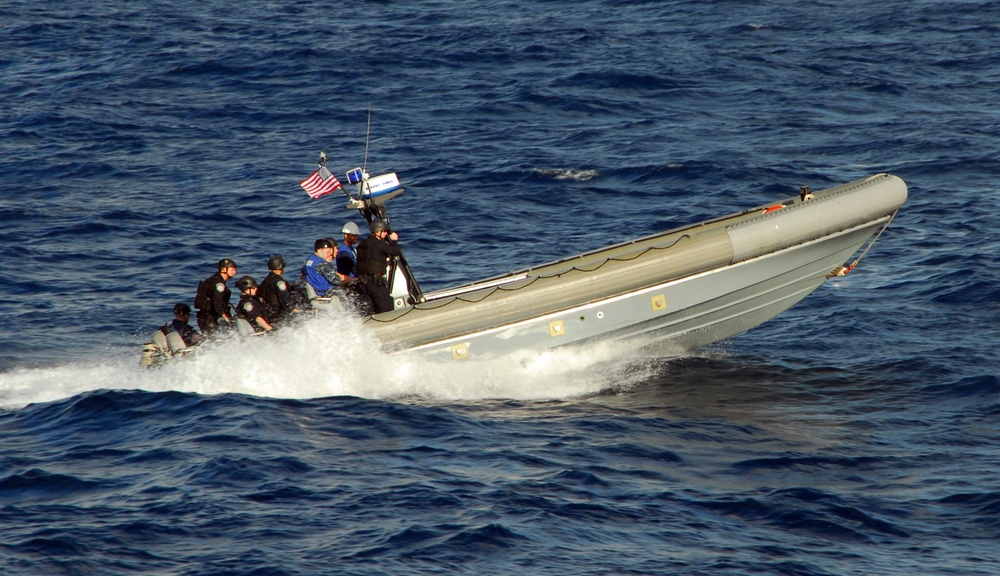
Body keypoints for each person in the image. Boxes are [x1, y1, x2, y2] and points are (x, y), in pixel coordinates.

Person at [356, 219, 404, 314]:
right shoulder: (379, 244)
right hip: (375, 281)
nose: (386, 233)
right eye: (384, 231)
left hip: (363, 281)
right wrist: (394, 240)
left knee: (371, 306)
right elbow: (395, 251)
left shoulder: (363, 243)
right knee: (386, 304)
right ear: (378, 232)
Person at [195, 258, 237, 335]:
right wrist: (226, 318)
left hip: (206, 317)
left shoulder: (214, 279)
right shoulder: (219, 284)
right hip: (211, 318)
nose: (235, 272)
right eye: (232, 269)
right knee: (216, 339)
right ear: (224, 269)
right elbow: (217, 302)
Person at [258, 254, 301, 324]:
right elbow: (284, 297)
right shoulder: (279, 282)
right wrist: (293, 309)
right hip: (278, 313)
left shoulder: (266, 281)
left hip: (269, 313)